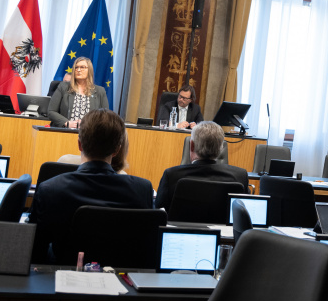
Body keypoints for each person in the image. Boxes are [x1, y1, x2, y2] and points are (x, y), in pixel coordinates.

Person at [28, 109, 153, 264]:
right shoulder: (143, 190)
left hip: (61, 279)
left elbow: (33, 252)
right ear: (117, 150)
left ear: (80, 144)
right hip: (120, 282)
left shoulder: (49, 190)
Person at [155, 121, 248, 211]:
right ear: (221, 147)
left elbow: (160, 211)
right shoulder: (240, 176)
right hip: (223, 227)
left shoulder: (171, 175)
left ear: (191, 145)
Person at [48, 56, 108, 128]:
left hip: (88, 133)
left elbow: (105, 116)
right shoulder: (63, 87)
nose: (78, 70)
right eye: (76, 67)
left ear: (90, 70)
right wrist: (66, 123)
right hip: (64, 132)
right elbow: (51, 111)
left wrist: (89, 123)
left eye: (82, 67)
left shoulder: (100, 91)